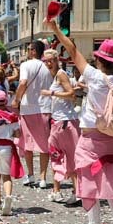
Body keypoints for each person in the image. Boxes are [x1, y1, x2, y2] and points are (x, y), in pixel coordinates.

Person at [46, 21, 113, 224]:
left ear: (100, 60)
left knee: (88, 185)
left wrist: (55, 29)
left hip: (91, 138)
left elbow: (72, 50)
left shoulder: (94, 77)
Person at [13, 40, 54, 189]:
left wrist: (16, 100)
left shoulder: (25, 65)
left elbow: (23, 82)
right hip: (45, 108)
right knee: (44, 145)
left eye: (28, 49)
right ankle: (43, 178)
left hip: (28, 108)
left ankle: (30, 175)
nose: (26, 51)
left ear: (33, 51)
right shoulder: (47, 67)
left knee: (27, 144)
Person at [42, 49, 81, 206]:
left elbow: (71, 93)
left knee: (68, 156)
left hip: (65, 122)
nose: (48, 63)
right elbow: (72, 92)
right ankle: (57, 190)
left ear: (57, 60)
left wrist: (51, 93)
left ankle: (76, 191)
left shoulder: (60, 74)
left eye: (51, 60)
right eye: (46, 61)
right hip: (60, 121)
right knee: (57, 155)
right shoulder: (55, 75)